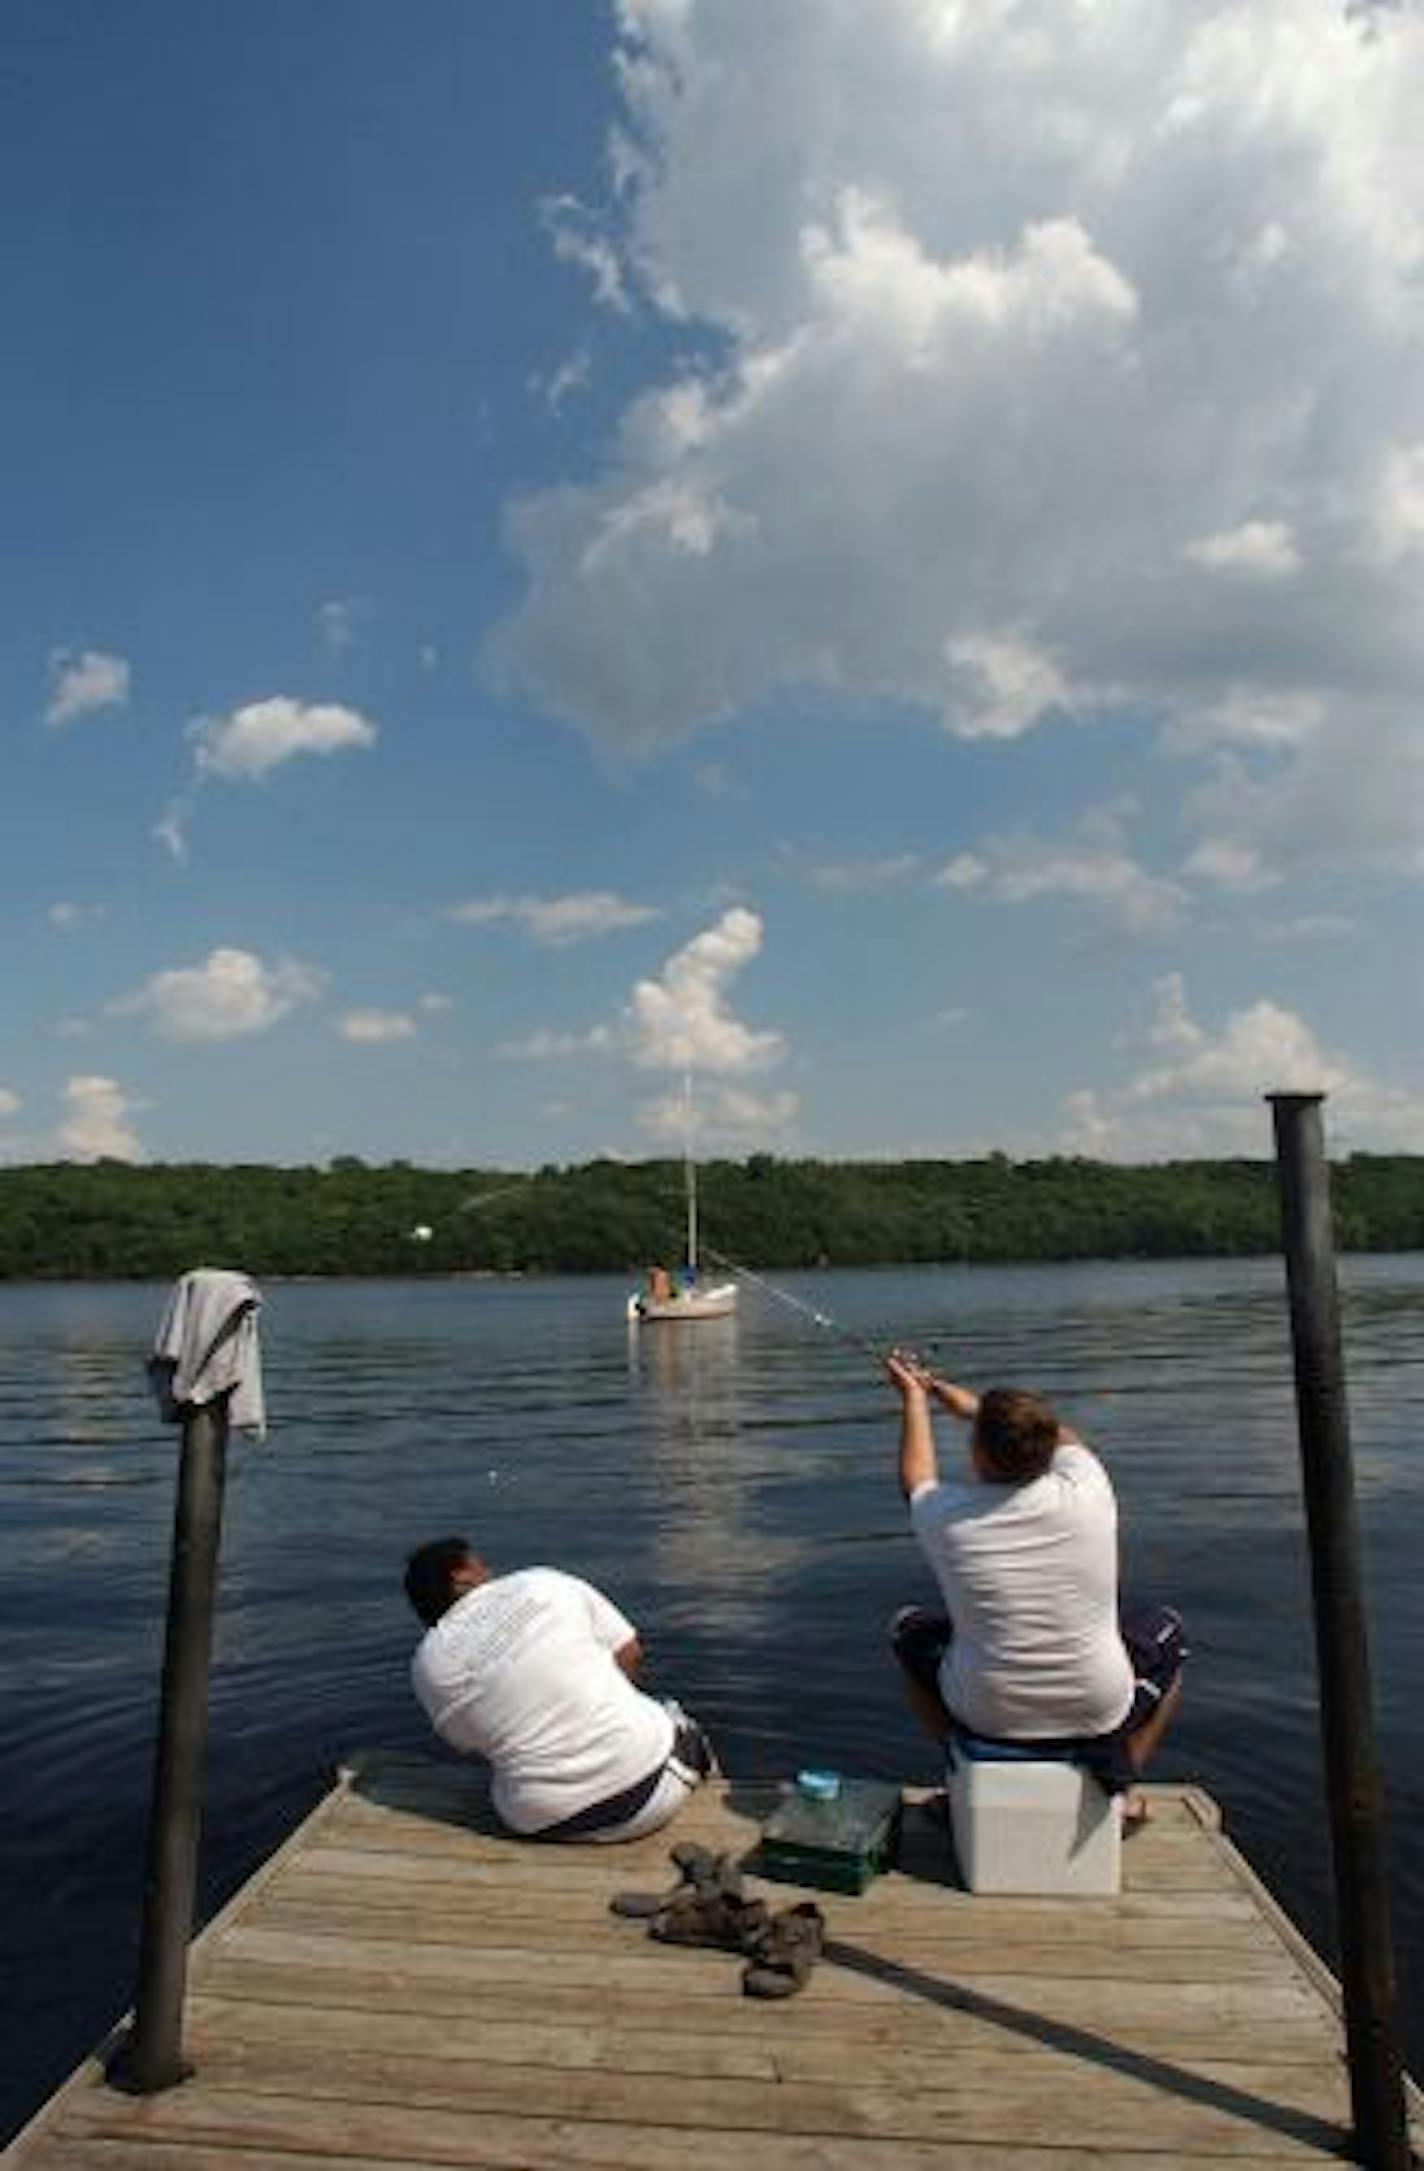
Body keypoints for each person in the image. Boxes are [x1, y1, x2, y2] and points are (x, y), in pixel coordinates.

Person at [884, 1352, 1185, 1819]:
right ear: (1045, 1449)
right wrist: (972, 1408)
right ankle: (1118, 1787)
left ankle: (965, 1780)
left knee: (907, 1630)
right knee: (1168, 1632)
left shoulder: (947, 1517)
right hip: (1098, 1704)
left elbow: (916, 1477)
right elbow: (1062, 1436)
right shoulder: (1089, 1487)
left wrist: (915, 1399)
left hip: (987, 1710)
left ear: (978, 1452)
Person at [404, 1536, 716, 1842]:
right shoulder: (540, 1583)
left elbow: (473, 1743)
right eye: (481, 1566)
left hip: (545, 1821)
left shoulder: (427, 1665)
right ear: (461, 1576)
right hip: (652, 1794)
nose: (490, 1573)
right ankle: (712, 1801)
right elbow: (630, 1653)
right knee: (673, 1716)